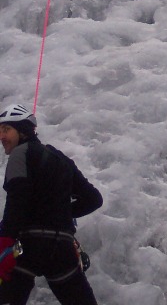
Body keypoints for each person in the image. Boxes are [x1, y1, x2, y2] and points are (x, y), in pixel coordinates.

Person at [0, 103, 102, 305]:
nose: (1, 137)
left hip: (29, 246)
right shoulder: (61, 158)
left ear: (22, 130)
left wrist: (5, 240)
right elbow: (93, 199)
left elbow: (17, 200)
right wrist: (59, 215)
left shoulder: (20, 154)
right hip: (62, 249)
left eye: (6, 129)